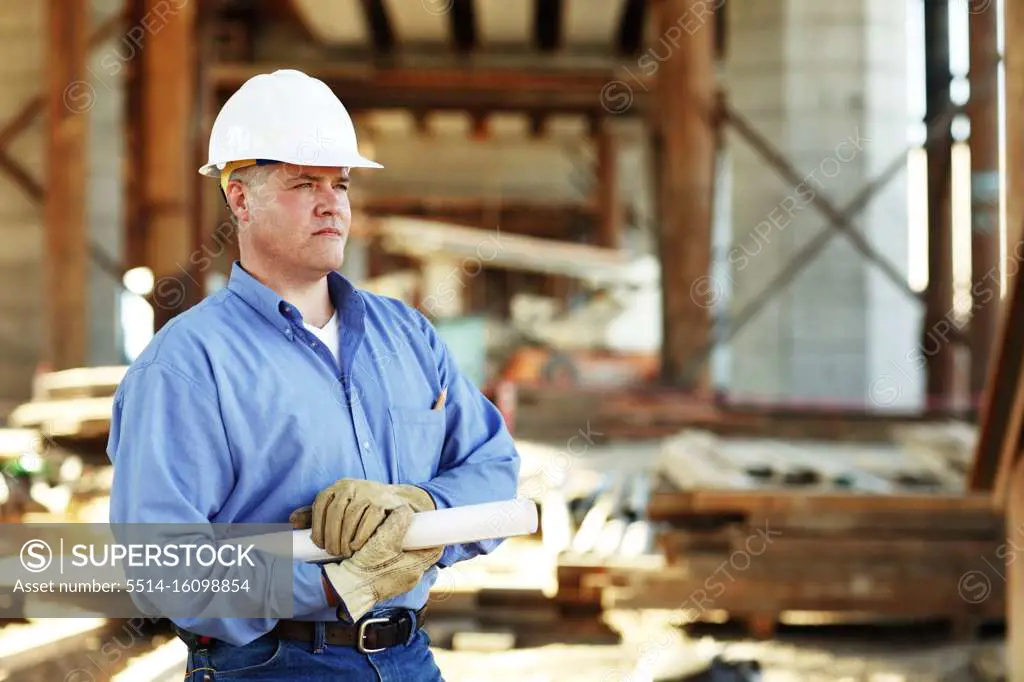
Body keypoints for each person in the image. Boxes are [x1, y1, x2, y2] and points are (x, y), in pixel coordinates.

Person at [105, 69, 521, 681]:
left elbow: (495, 472)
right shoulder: (187, 364)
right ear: (240, 198)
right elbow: (162, 566)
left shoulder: (406, 336)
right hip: (271, 665)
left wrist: (422, 505)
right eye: (305, 183)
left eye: (341, 183)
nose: (333, 203)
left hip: (407, 657)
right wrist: (335, 584)